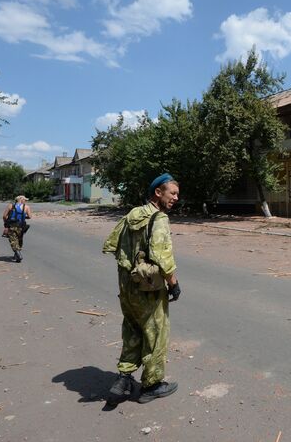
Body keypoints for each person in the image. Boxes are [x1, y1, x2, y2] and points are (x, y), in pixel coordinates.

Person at [102, 173, 182, 405]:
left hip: (127, 286)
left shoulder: (132, 214)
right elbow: (161, 255)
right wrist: (173, 283)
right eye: (173, 193)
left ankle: (124, 378)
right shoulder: (159, 218)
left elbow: (113, 244)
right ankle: (152, 385)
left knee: (132, 330)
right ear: (158, 192)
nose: (176, 198)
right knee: (156, 334)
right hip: (148, 288)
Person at [2, 195, 32, 262]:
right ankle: (17, 254)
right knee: (19, 239)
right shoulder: (26, 207)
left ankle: (18, 254)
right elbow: (30, 216)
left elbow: (4, 216)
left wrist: (6, 223)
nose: (26, 201)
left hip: (12, 225)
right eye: (25, 200)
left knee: (13, 240)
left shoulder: (10, 206)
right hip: (21, 226)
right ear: (21, 200)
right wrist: (22, 217)